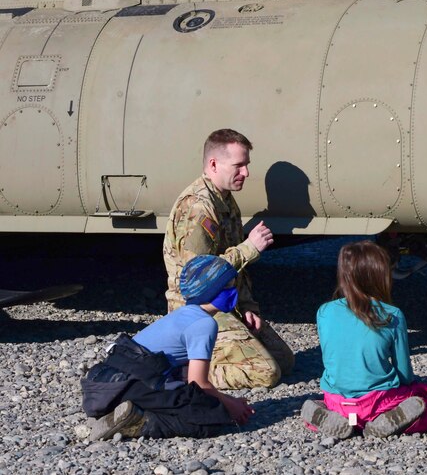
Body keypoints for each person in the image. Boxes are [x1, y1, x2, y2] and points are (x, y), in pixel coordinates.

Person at [163, 128, 294, 390]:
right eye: (239, 165)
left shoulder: (225, 200)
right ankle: (185, 372)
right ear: (213, 164)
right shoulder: (198, 208)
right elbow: (198, 281)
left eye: (246, 165)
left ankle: (207, 359)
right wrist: (249, 248)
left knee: (284, 360)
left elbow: (237, 270)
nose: (246, 172)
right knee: (266, 373)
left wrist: (247, 306)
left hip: (223, 303)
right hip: (197, 311)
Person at [81, 256, 255, 439]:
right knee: (208, 420)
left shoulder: (183, 314)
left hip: (106, 384)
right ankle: (139, 422)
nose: (234, 288)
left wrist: (223, 401)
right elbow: (199, 383)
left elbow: (185, 378)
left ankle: (115, 412)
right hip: (129, 384)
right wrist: (230, 405)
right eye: (229, 283)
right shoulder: (204, 323)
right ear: (212, 289)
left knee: (202, 401)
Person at [301, 241, 427, 439]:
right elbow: (404, 373)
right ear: (380, 276)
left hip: (337, 400)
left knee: (328, 401)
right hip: (379, 402)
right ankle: (386, 419)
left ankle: (321, 412)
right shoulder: (392, 315)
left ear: (344, 275)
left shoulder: (324, 311)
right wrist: (411, 387)